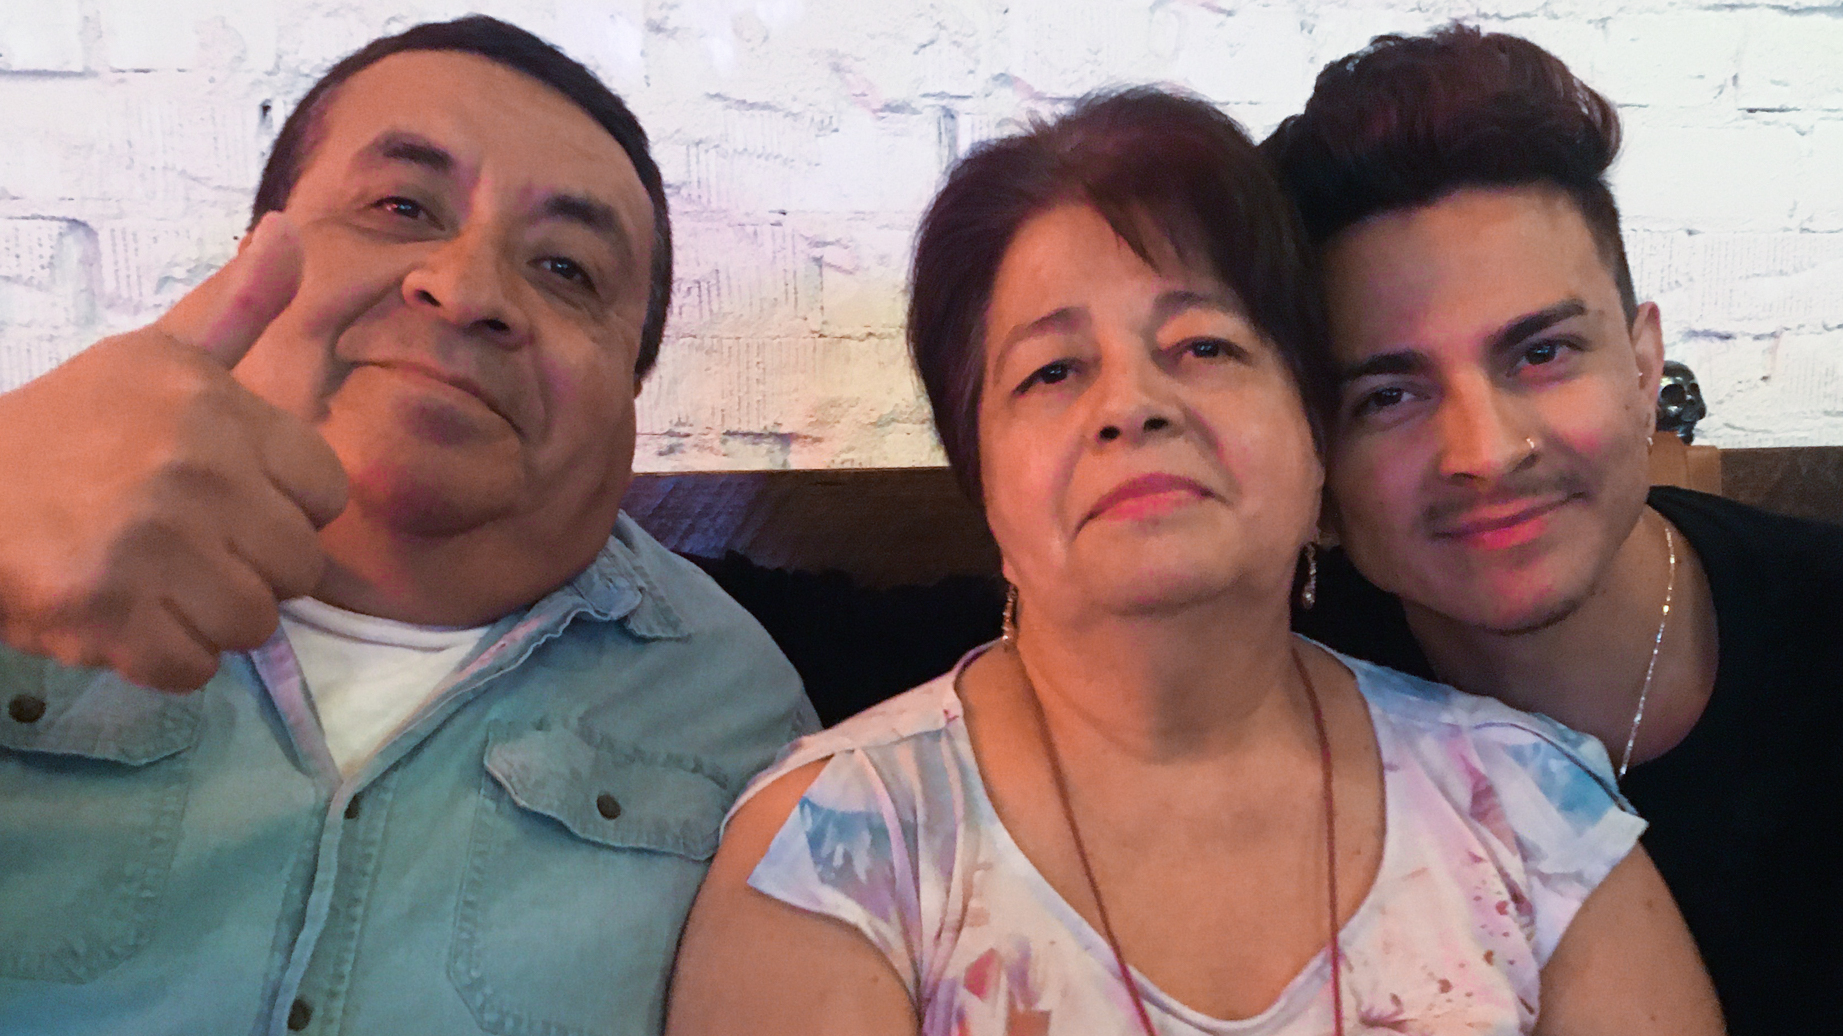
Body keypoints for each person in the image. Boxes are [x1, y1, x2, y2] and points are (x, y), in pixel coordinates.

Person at [666, 88, 1720, 1036]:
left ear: (1315, 439)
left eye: (1205, 346)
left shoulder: (1531, 809)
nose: (1131, 404)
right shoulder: (837, 853)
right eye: (1051, 370)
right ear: (980, 471)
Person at [0, 16, 811, 1034]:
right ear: (254, 254)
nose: (468, 289)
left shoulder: (741, 715)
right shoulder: (19, 528)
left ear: (631, 389)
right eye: (400, 206)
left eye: (567, 269)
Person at [1262, 25, 1843, 1034]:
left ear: (1640, 361)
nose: (1483, 452)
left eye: (1540, 353)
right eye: (1389, 394)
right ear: (1314, 452)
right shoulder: (1272, 698)